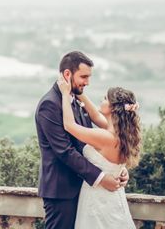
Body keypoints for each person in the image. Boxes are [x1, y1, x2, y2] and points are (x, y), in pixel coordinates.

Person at [35, 51, 129, 229]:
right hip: (62, 191)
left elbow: (91, 144)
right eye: (84, 76)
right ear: (67, 74)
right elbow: (65, 151)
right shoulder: (49, 105)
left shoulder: (75, 99)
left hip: (84, 188)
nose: (87, 82)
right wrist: (102, 178)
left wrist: (117, 169)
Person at [57, 74, 142, 229]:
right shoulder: (121, 134)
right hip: (114, 198)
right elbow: (95, 115)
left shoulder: (105, 137)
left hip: (96, 201)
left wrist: (64, 93)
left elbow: (69, 125)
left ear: (112, 108)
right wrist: (78, 90)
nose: (101, 101)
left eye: (105, 98)